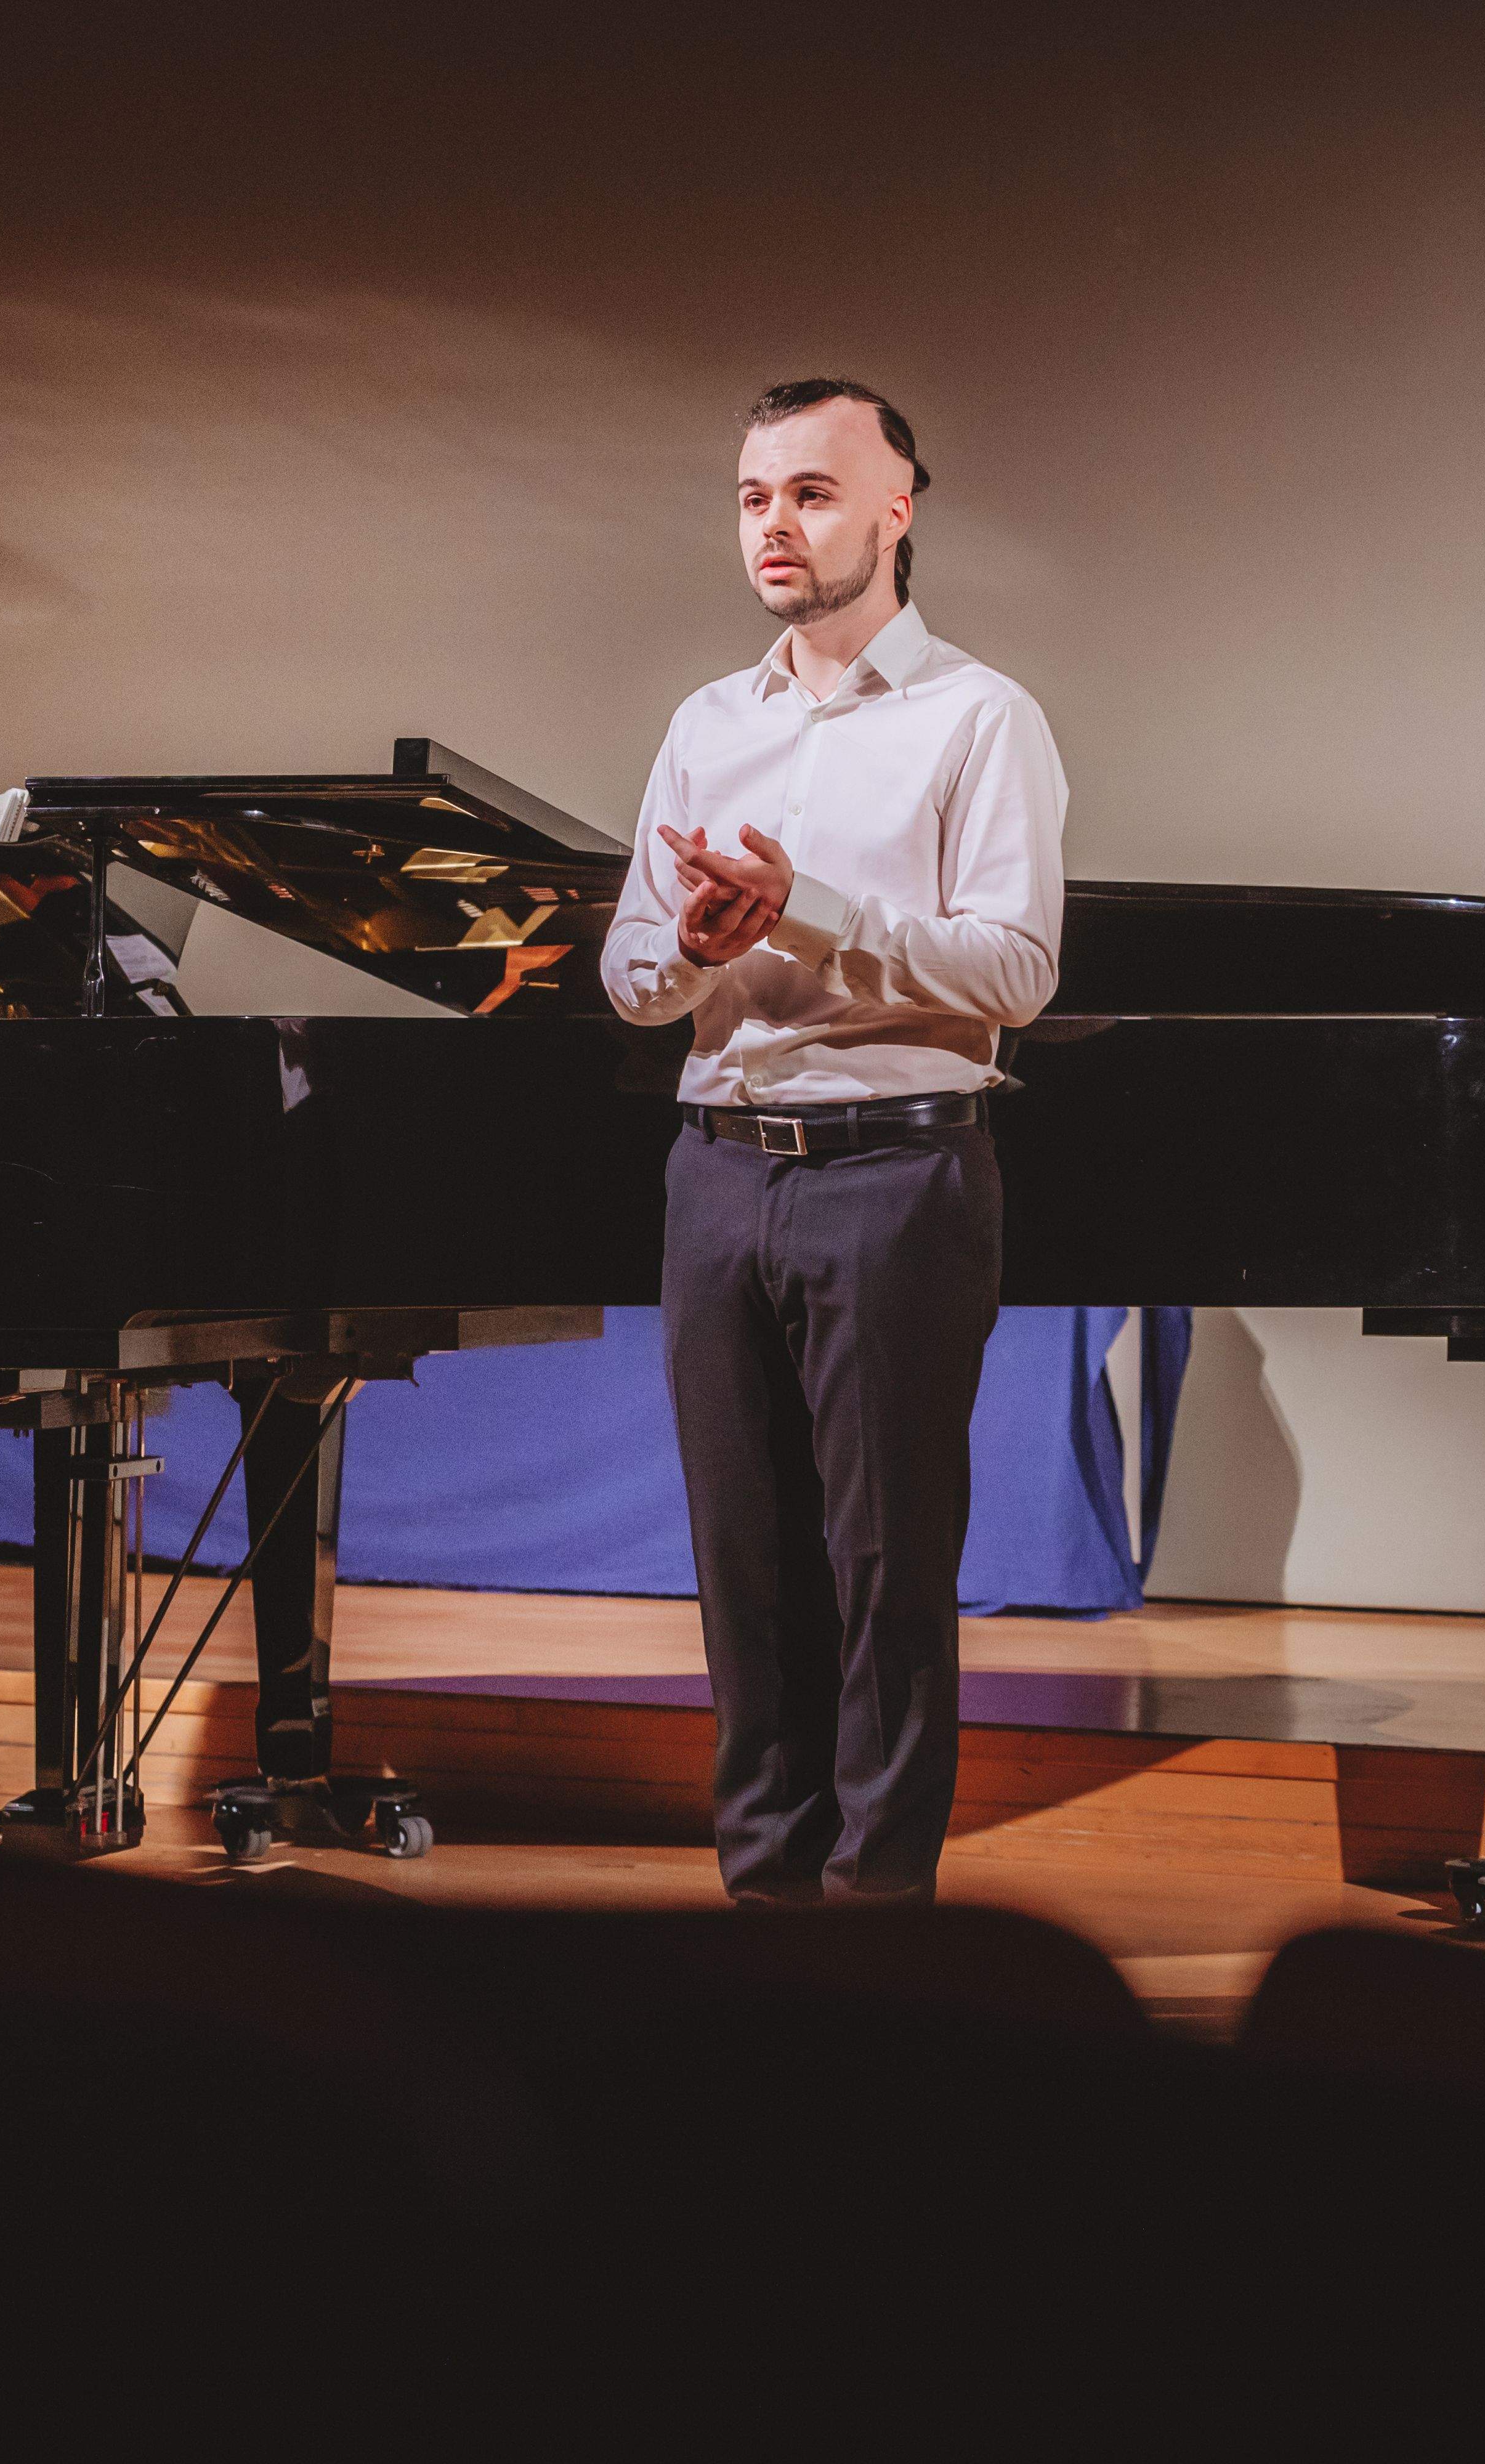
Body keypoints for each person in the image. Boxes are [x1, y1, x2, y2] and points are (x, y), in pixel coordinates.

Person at [601, 380, 1069, 1902]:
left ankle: (876, 1930)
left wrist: (807, 911)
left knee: (882, 1573)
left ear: (897, 508)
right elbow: (627, 980)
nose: (776, 525)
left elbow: (1017, 969)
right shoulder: (705, 722)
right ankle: (762, 1903)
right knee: (746, 1568)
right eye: (752, 497)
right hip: (719, 1170)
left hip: (897, 1170)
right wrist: (687, 941)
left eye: (811, 491)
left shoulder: (978, 715)